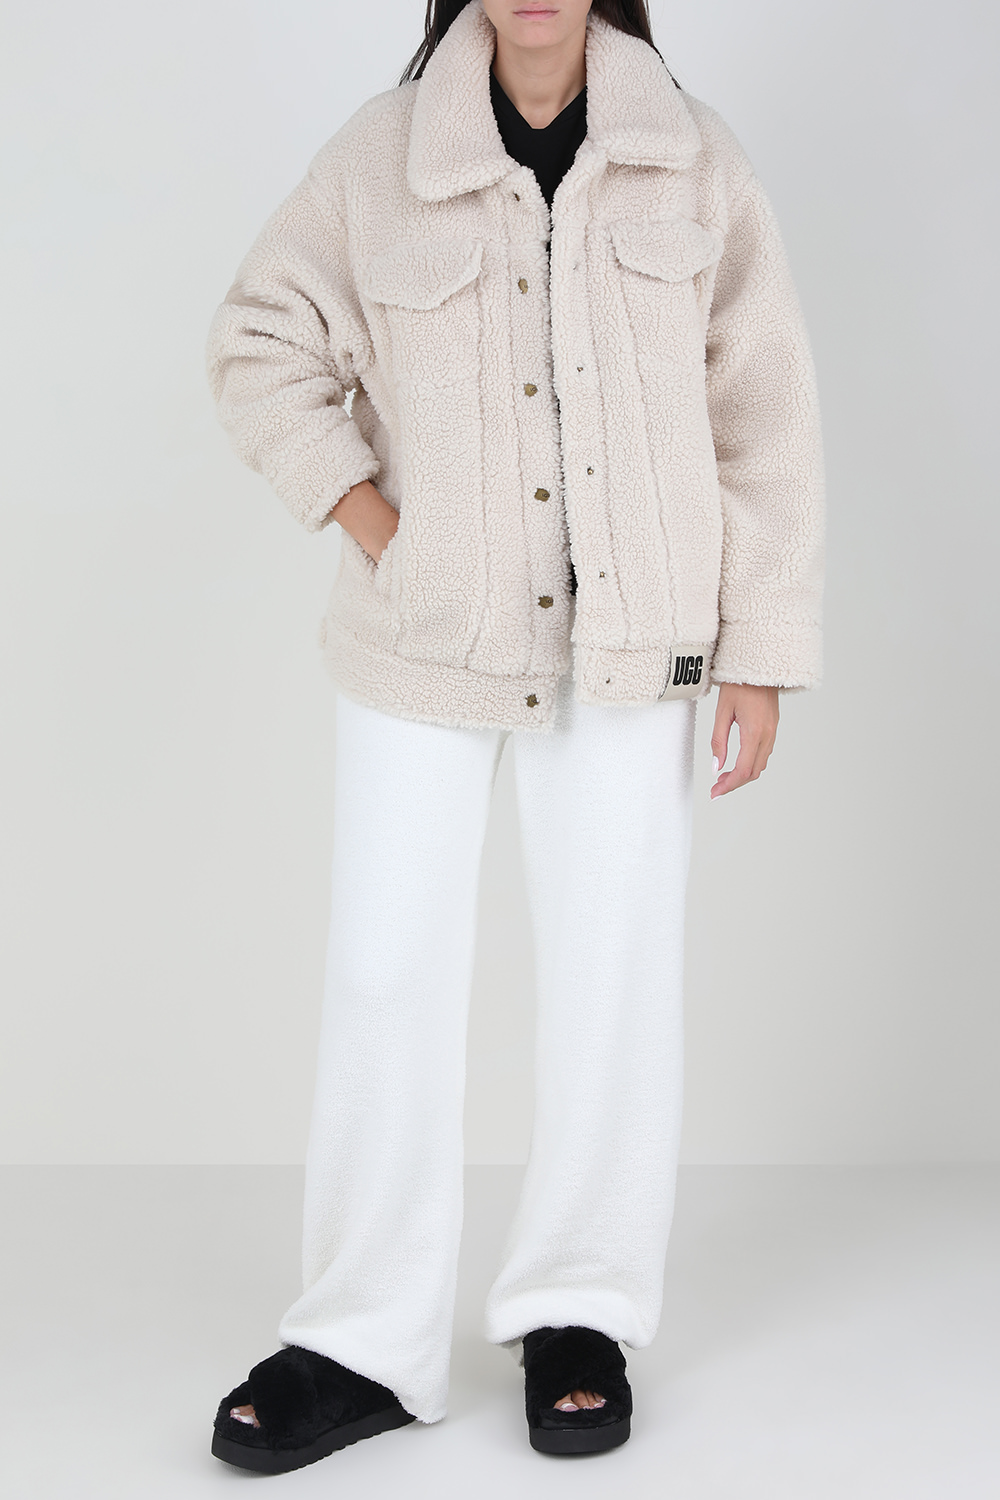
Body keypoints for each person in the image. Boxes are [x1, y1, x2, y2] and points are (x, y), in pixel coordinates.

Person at [204, 0, 824, 1471]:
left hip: (634, 646)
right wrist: (380, 526)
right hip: (421, 642)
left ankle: (580, 1309)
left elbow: (764, 412)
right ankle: (361, 1337)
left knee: (613, 977)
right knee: (385, 971)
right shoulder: (379, 156)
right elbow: (258, 341)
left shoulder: (696, 160)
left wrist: (760, 651)